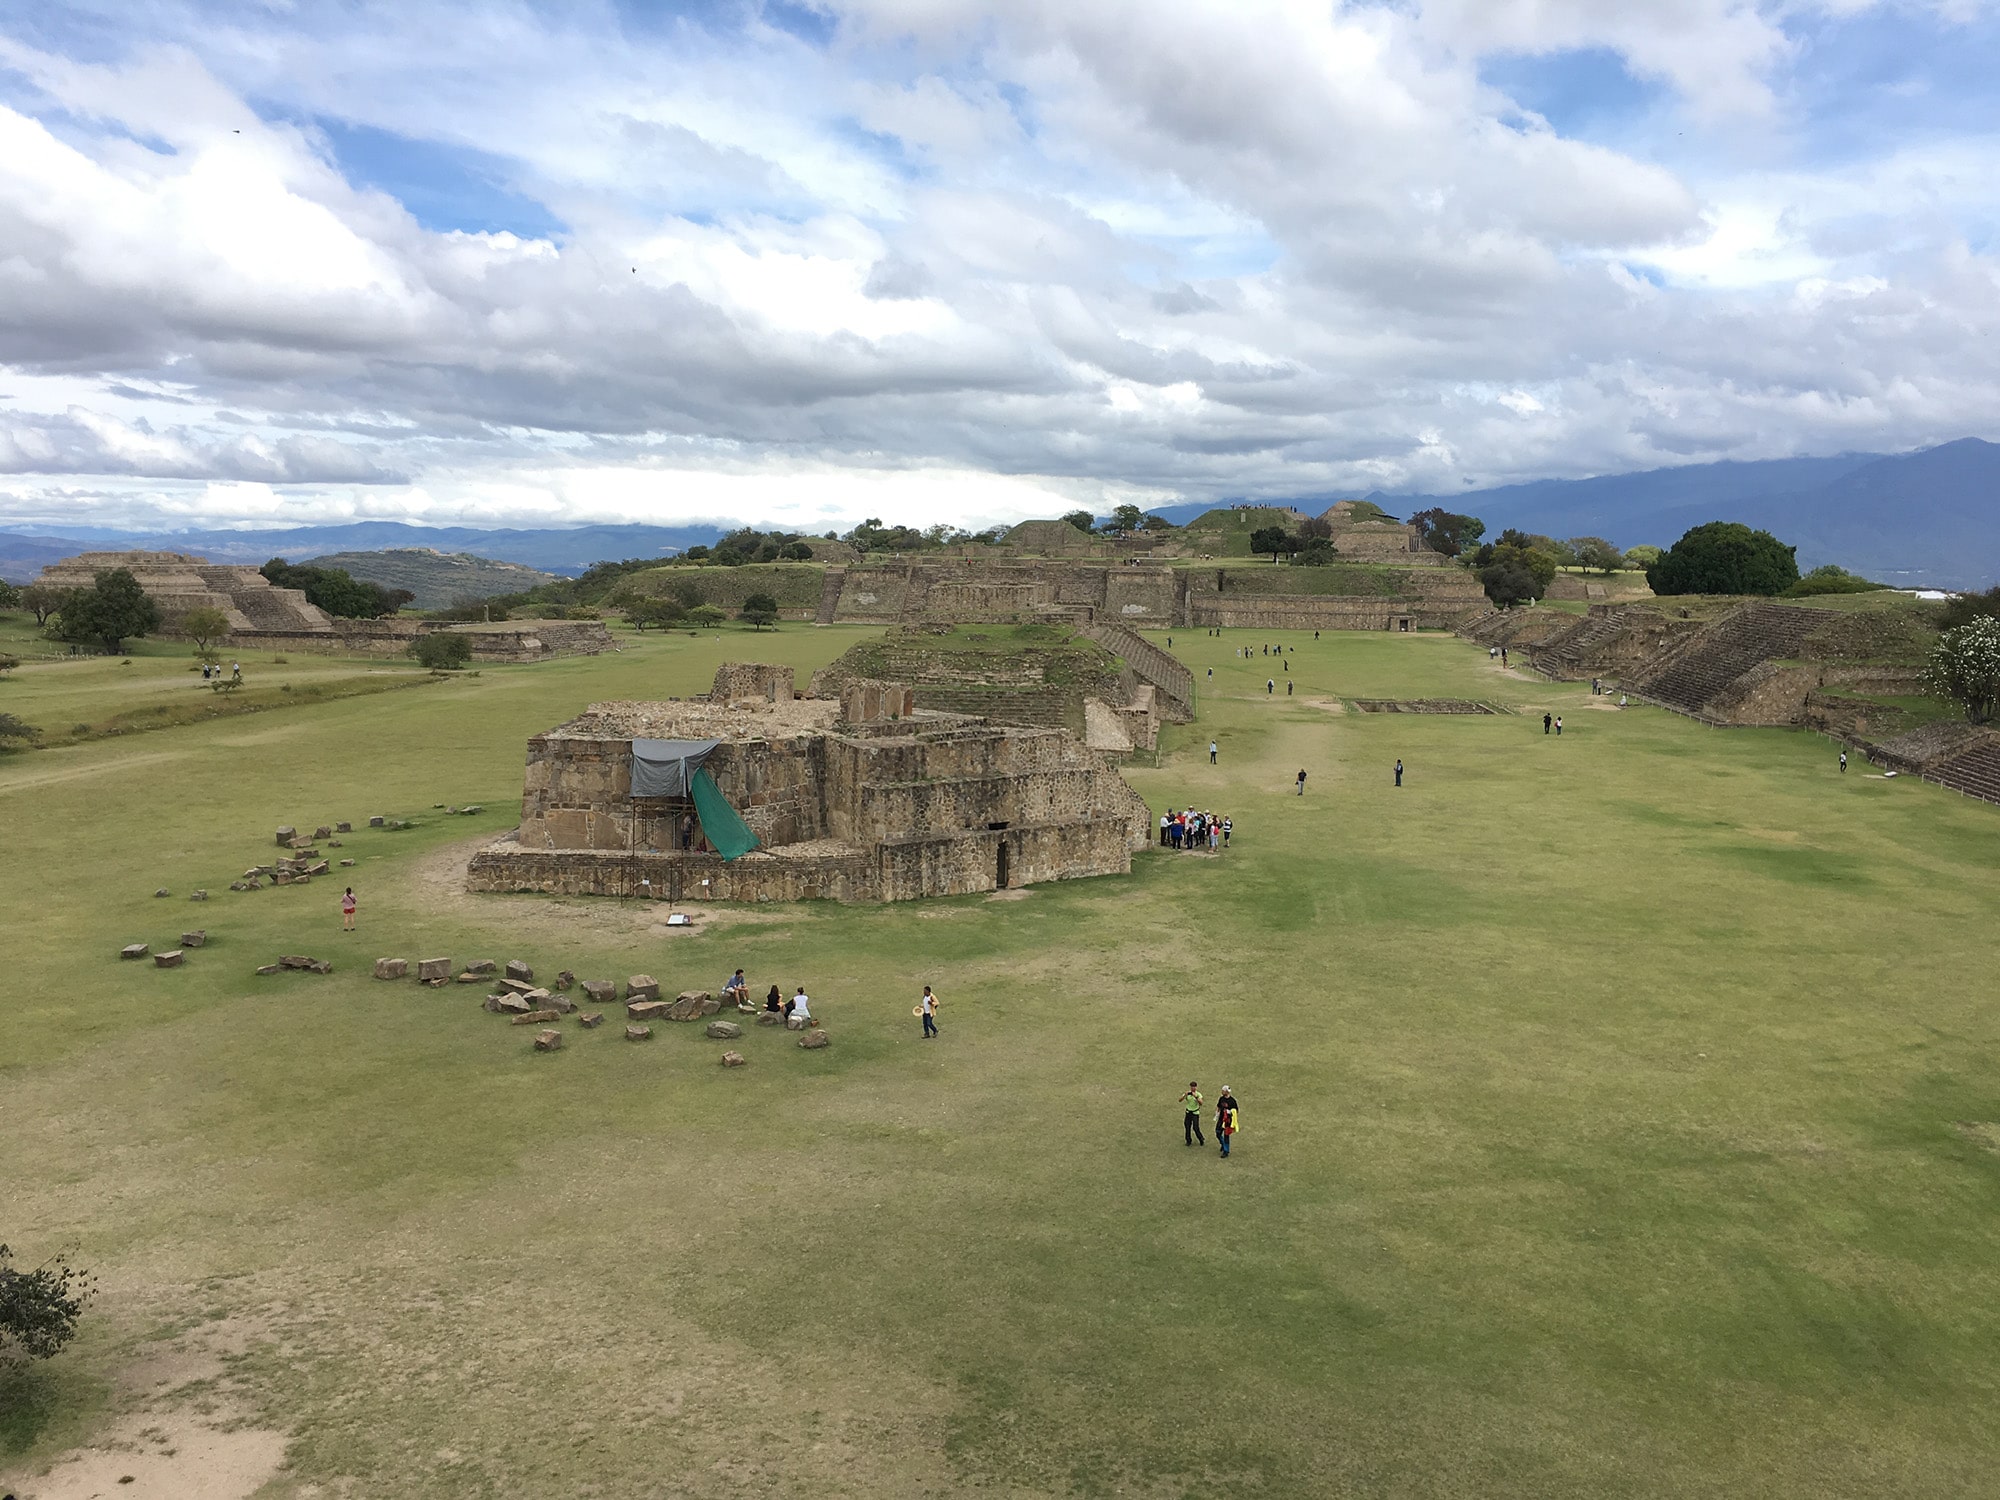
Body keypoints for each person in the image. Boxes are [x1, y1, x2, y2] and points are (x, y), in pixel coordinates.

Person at [1215, 1086, 1238, 1158]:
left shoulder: (1232, 1101)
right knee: (1218, 1132)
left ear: (1226, 1092)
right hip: (1221, 1119)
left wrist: (1230, 1112)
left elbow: (1236, 1111)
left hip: (1227, 1121)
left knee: (1226, 1136)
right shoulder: (1221, 1099)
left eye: (1223, 1091)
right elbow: (1218, 1106)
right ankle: (1223, 1144)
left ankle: (1226, 1150)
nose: (1222, 1092)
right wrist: (1217, 1114)